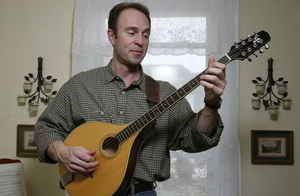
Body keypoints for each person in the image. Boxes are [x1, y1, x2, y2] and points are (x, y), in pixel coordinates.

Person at [34, 2, 226, 196]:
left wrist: (211, 103)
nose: (140, 41)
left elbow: (195, 139)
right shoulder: (80, 85)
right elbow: (44, 129)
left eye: (145, 34)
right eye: (131, 32)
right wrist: (62, 152)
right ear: (112, 36)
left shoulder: (165, 93)